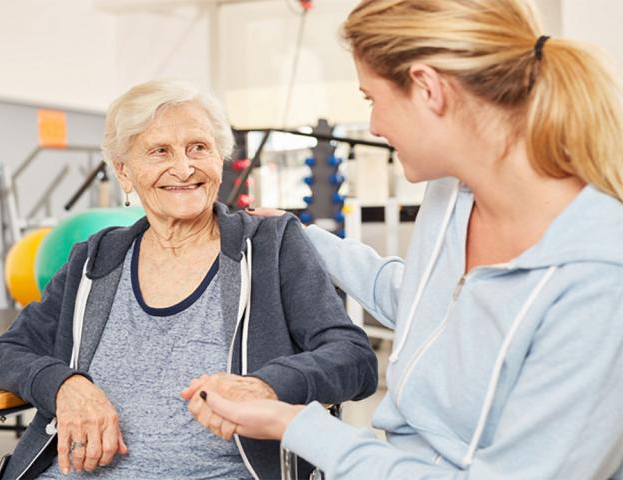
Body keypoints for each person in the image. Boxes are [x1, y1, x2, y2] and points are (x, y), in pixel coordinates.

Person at [184, 0, 623, 477]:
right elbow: (428, 306)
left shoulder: (598, 279)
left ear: (427, 88)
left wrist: (295, 424)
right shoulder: (451, 193)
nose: (373, 125)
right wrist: (302, 237)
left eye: (371, 99)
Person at [0, 79, 378, 480]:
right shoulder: (96, 258)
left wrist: (266, 386)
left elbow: (353, 358)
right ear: (124, 173)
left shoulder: (270, 245)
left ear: (220, 158)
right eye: (159, 151)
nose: (183, 168)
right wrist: (63, 385)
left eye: (198, 148)